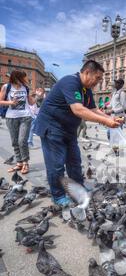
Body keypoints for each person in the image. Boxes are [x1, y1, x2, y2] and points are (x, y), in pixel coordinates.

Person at [34, 60, 121, 206]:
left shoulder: (86, 90)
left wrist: (110, 118)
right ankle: (58, 195)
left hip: (68, 130)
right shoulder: (70, 82)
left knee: (75, 161)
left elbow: (93, 109)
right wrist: (105, 122)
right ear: (87, 72)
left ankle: (77, 188)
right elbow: (78, 110)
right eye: (98, 78)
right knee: (56, 165)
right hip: (52, 128)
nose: (99, 82)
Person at [0, 70, 35, 174]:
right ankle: (19, 163)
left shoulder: (26, 88)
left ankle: (25, 163)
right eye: (23, 77)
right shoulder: (7, 87)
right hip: (11, 117)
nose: (25, 79)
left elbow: (31, 102)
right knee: (15, 142)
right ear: (16, 78)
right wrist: (11, 102)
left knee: (22, 141)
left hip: (25, 117)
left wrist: (36, 96)